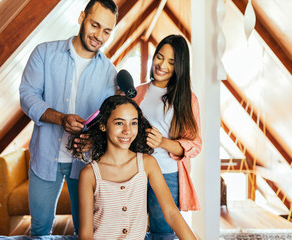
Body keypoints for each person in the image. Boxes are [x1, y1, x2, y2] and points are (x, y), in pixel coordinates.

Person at [19, 0, 118, 236]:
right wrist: (61, 119)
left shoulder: (110, 73)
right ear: (81, 17)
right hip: (44, 159)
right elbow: (27, 95)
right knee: (40, 229)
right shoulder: (44, 53)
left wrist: (94, 140)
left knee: (86, 231)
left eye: (107, 31)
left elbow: (108, 121)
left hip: (85, 163)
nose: (99, 36)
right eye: (95, 25)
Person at [67, 95, 197, 240]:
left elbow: (172, 213)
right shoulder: (89, 174)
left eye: (133, 123)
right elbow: (85, 235)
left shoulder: (148, 163)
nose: (127, 130)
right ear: (103, 125)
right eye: (119, 123)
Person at [133, 34, 202, 239]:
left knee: (162, 233)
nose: (162, 65)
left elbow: (195, 146)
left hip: (167, 175)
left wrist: (163, 142)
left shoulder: (188, 99)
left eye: (171, 62)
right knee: (129, 230)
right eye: (160, 57)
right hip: (133, 172)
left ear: (179, 66)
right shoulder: (136, 92)